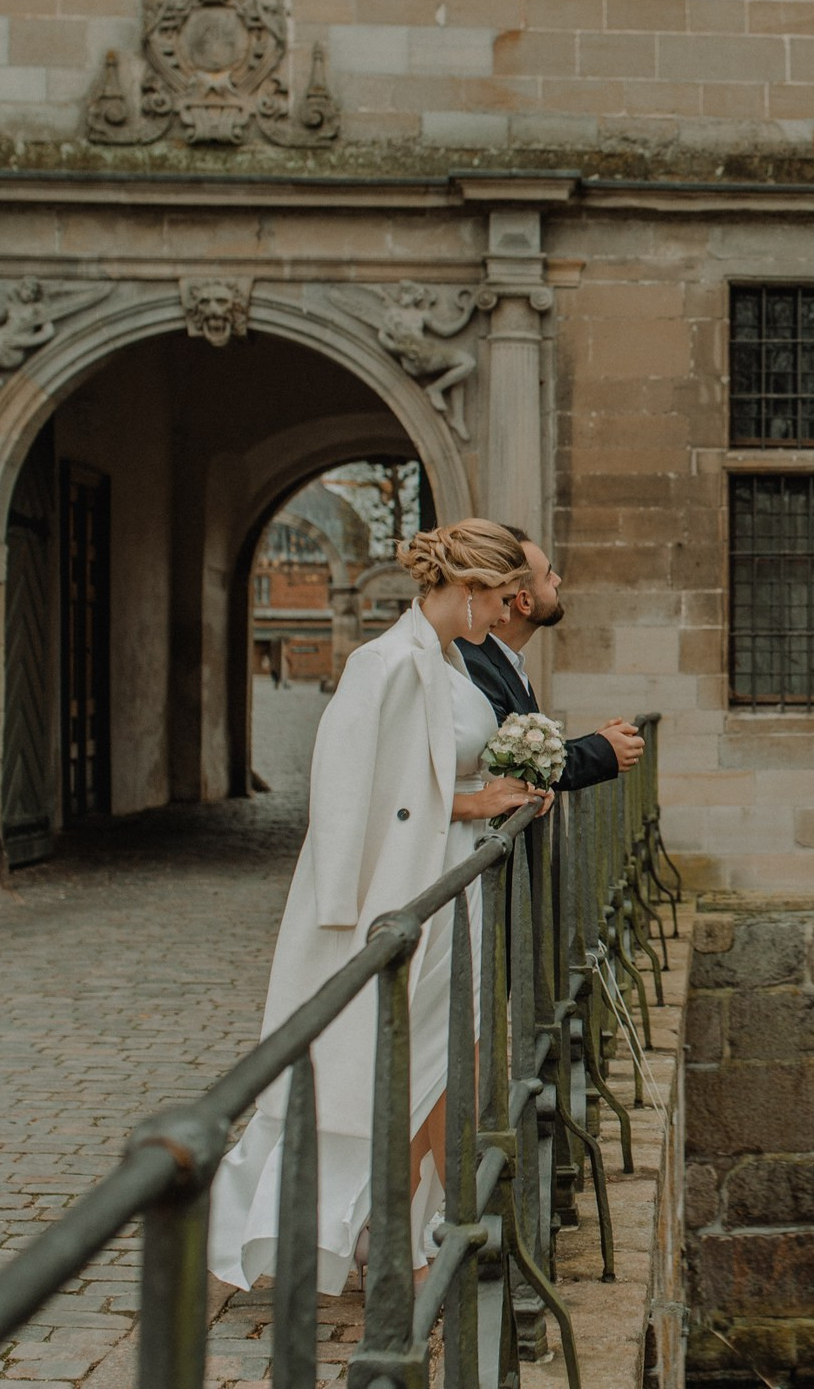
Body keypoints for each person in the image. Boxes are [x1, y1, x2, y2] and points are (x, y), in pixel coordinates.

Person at [208, 518, 548, 1296]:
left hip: (448, 888)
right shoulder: (383, 663)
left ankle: (412, 1233)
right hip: (398, 898)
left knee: (442, 1065)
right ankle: (407, 1240)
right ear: (466, 591)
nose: (504, 613)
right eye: (497, 598)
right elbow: (348, 798)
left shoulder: (448, 661)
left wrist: (495, 794)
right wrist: (470, 804)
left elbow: (425, 773)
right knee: (414, 1069)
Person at [458, 529, 645, 789]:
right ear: (524, 602)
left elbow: (526, 750)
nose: (557, 580)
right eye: (547, 576)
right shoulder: (475, 664)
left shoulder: (504, 660)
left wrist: (599, 741)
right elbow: (508, 762)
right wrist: (602, 752)